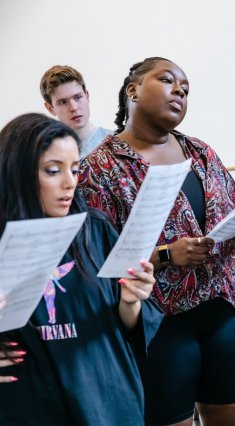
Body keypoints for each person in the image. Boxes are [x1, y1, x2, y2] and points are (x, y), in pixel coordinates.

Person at [79, 57, 235, 426]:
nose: (179, 93)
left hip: (225, 310)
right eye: (168, 81)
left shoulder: (201, 152)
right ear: (133, 89)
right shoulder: (100, 168)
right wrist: (166, 255)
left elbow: (233, 223)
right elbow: (95, 260)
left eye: (185, 90)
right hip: (160, 320)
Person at [0, 113, 160, 424]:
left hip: (105, 399)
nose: (69, 183)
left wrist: (132, 301)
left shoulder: (94, 230)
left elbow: (128, 325)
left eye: (74, 170)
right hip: (31, 407)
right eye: (52, 170)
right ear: (15, 172)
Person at [40, 65, 111, 157]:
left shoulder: (120, 143)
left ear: (87, 96)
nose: (73, 108)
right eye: (63, 102)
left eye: (78, 97)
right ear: (50, 108)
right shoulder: (48, 157)